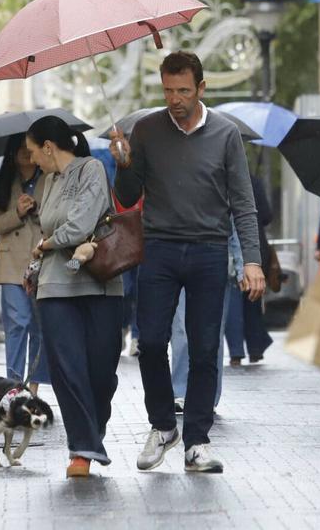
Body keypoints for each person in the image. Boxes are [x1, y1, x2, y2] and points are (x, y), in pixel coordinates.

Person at [110, 51, 265, 474]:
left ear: (201, 88)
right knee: (151, 341)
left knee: (204, 348)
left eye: (182, 90)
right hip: (159, 248)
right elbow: (125, 197)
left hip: (209, 251)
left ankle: (196, 440)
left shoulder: (226, 134)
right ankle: (163, 425)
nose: (174, 98)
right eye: (167, 90)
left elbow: (243, 204)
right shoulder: (145, 130)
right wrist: (122, 163)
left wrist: (252, 260)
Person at [23, 116, 122, 478]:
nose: (32, 159)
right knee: (68, 370)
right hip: (54, 286)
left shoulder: (91, 169)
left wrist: (45, 244)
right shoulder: (47, 182)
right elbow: (50, 226)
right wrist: (37, 258)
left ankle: (92, 433)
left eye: (34, 151)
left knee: (101, 372)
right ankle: (82, 449)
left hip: (100, 283)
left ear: (49, 146)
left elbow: (80, 225)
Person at [0, 133, 50, 391]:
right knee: (17, 323)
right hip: (11, 264)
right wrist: (17, 213)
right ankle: (13, 385)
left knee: (40, 327)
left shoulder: (51, 179)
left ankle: (33, 387)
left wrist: (37, 210)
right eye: (20, 147)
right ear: (12, 152)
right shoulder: (2, 184)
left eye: (30, 147)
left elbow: (60, 219)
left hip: (43, 261)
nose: (26, 152)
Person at [171, 223, 245, 412]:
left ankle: (208, 395)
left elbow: (235, 221)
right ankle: (180, 391)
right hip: (177, 257)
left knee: (212, 332)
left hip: (216, 260)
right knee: (181, 329)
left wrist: (241, 264)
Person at [225, 173, 274, 365]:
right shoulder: (254, 181)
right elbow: (267, 215)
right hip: (254, 245)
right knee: (253, 300)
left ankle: (237, 352)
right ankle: (255, 348)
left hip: (231, 247)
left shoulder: (219, 177)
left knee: (234, 302)